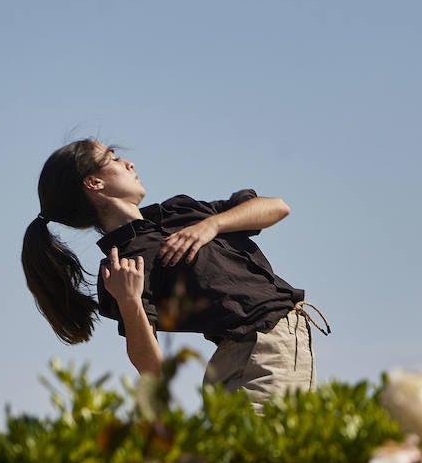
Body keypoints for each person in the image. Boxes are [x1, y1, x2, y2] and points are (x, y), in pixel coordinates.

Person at [21, 139, 328, 410]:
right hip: (258, 354)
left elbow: (276, 207)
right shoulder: (123, 262)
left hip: (263, 351)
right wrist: (129, 303)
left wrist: (212, 225)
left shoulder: (179, 212)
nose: (129, 163)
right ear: (94, 183)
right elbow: (152, 369)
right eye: (113, 158)